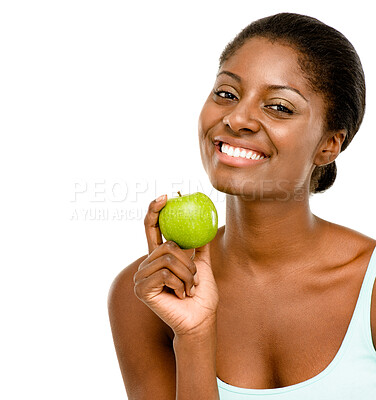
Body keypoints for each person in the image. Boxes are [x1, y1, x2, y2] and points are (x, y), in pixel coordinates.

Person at [108, 12, 376, 399]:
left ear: (329, 145)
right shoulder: (147, 294)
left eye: (279, 107)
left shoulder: (370, 287)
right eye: (227, 94)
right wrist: (195, 336)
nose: (236, 119)